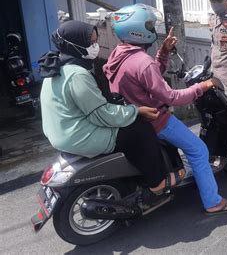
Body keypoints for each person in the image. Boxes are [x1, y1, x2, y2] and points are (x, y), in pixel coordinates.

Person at [103, 4, 227, 215]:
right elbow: (171, 97)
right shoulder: (142, 61)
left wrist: (164, 52)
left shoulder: (118, 55)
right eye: (149, 25)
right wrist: (202, 86)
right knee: (198, 150)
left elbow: (148, 77)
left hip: (135, 118)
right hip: (157, 120)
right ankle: (213, 202)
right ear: (137, 29)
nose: (152, 28)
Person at [38, 20, 180, 208]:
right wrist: (135, 111)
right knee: (141, 130)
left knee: (131, 124)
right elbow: (102, 114)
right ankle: (157, 183)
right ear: (75, 44)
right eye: (90, 43)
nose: (95, 47)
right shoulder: (77, 75)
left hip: (60, 133)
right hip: (78, 136)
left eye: (95, 41)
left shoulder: (57, 66)